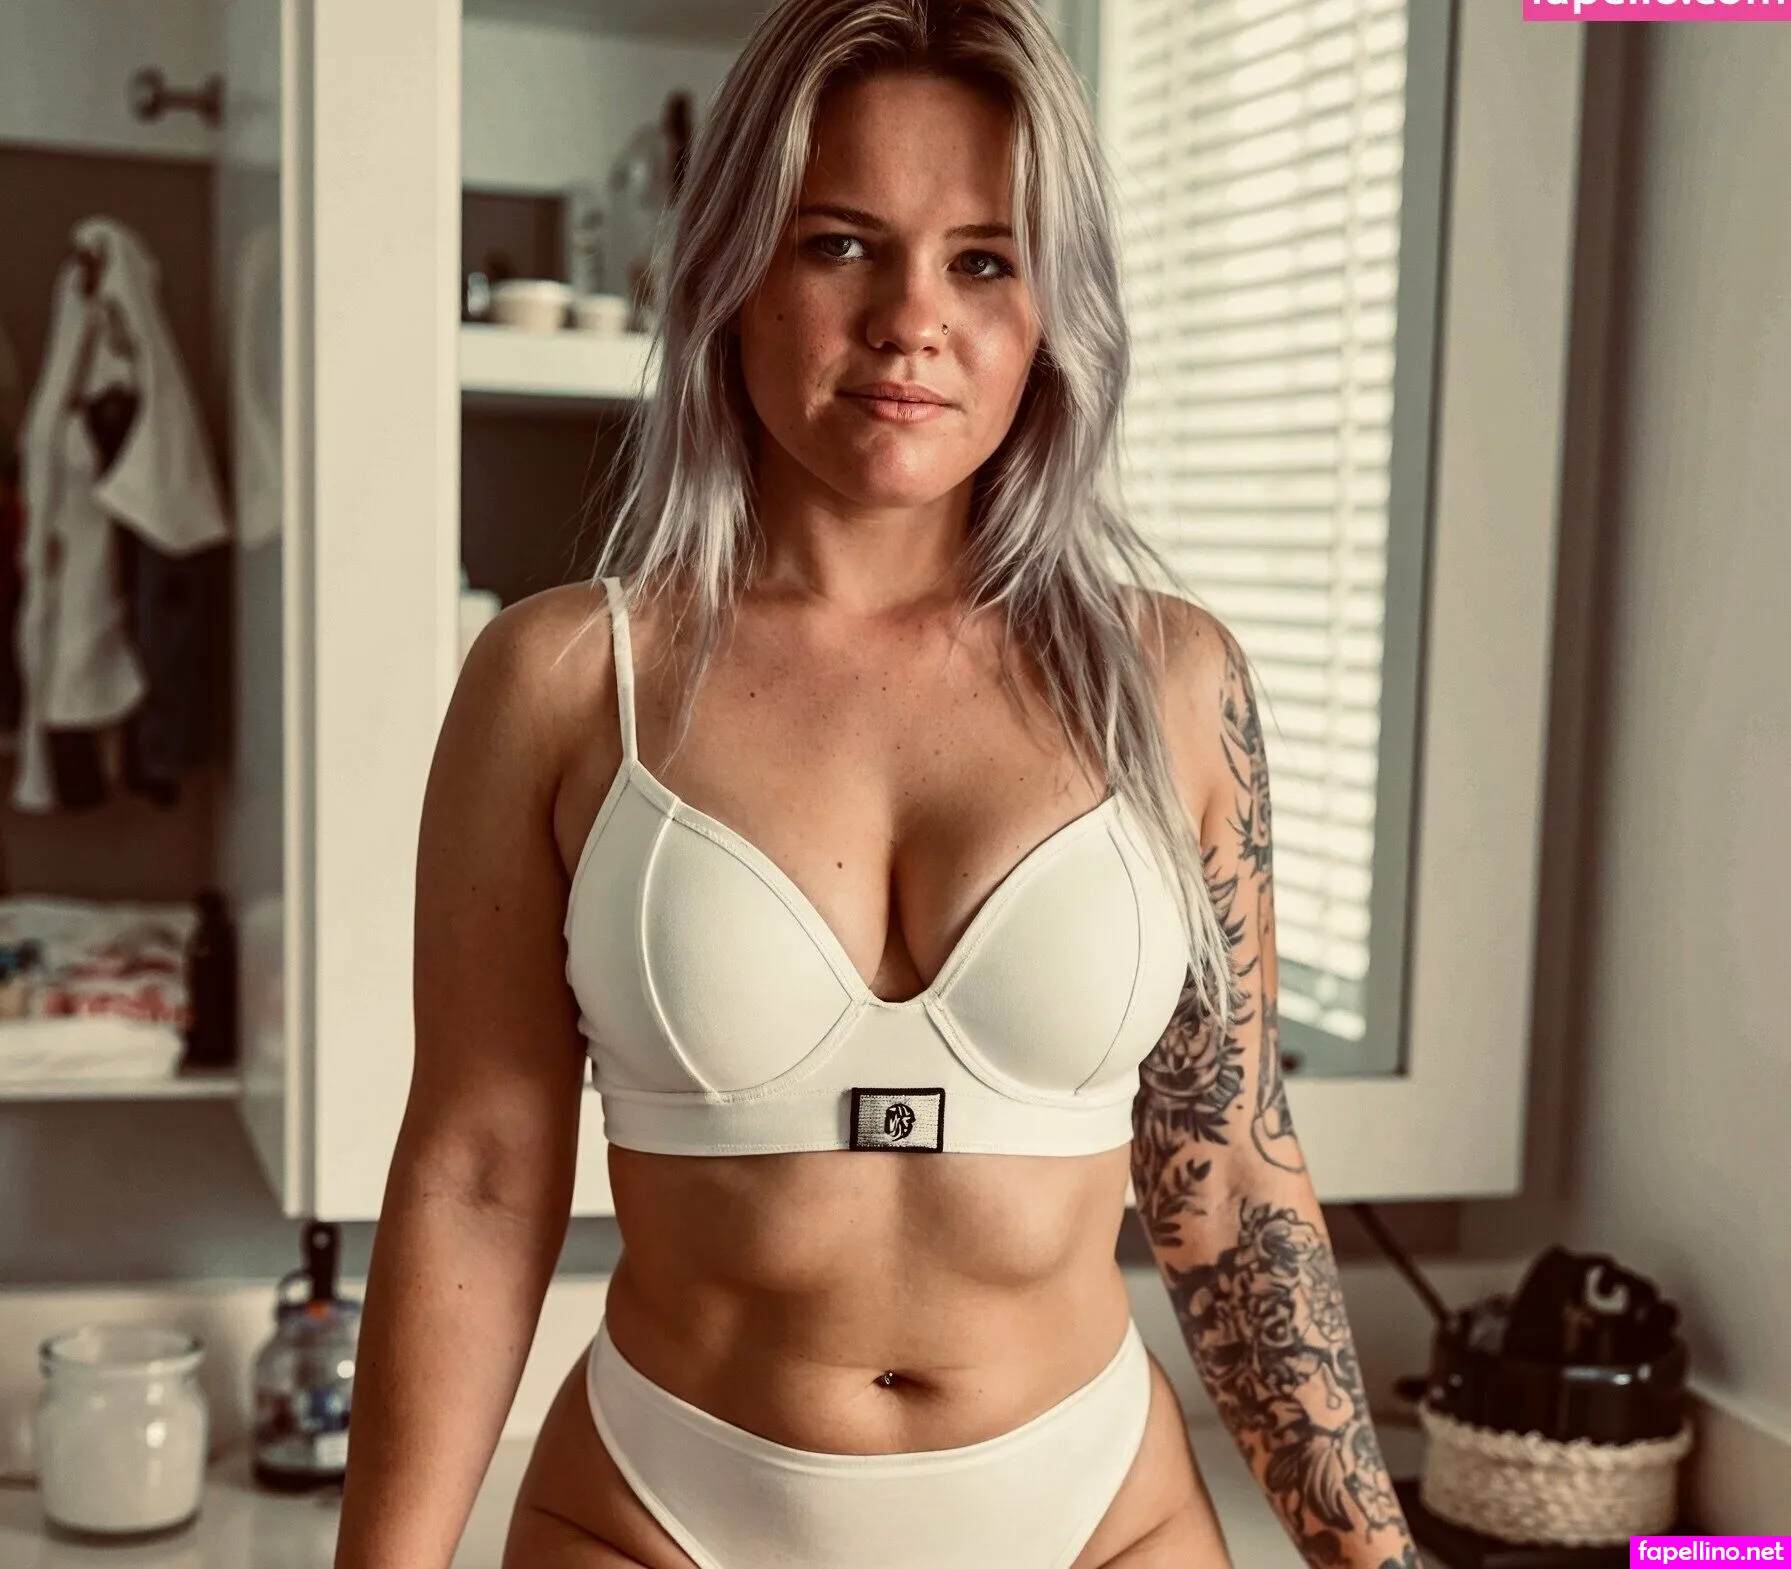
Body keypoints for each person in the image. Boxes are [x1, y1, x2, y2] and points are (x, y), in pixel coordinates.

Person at [334, 2, 1422, 1566]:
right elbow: (480, 1176)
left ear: (1052, 310)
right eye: (840, 243)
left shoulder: (1172, 684)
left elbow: (1230, 1178)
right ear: (731, 272)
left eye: (983, 260)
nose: (913, 319)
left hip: (1092, 1514)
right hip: (660, 1512)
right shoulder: (564, 681)